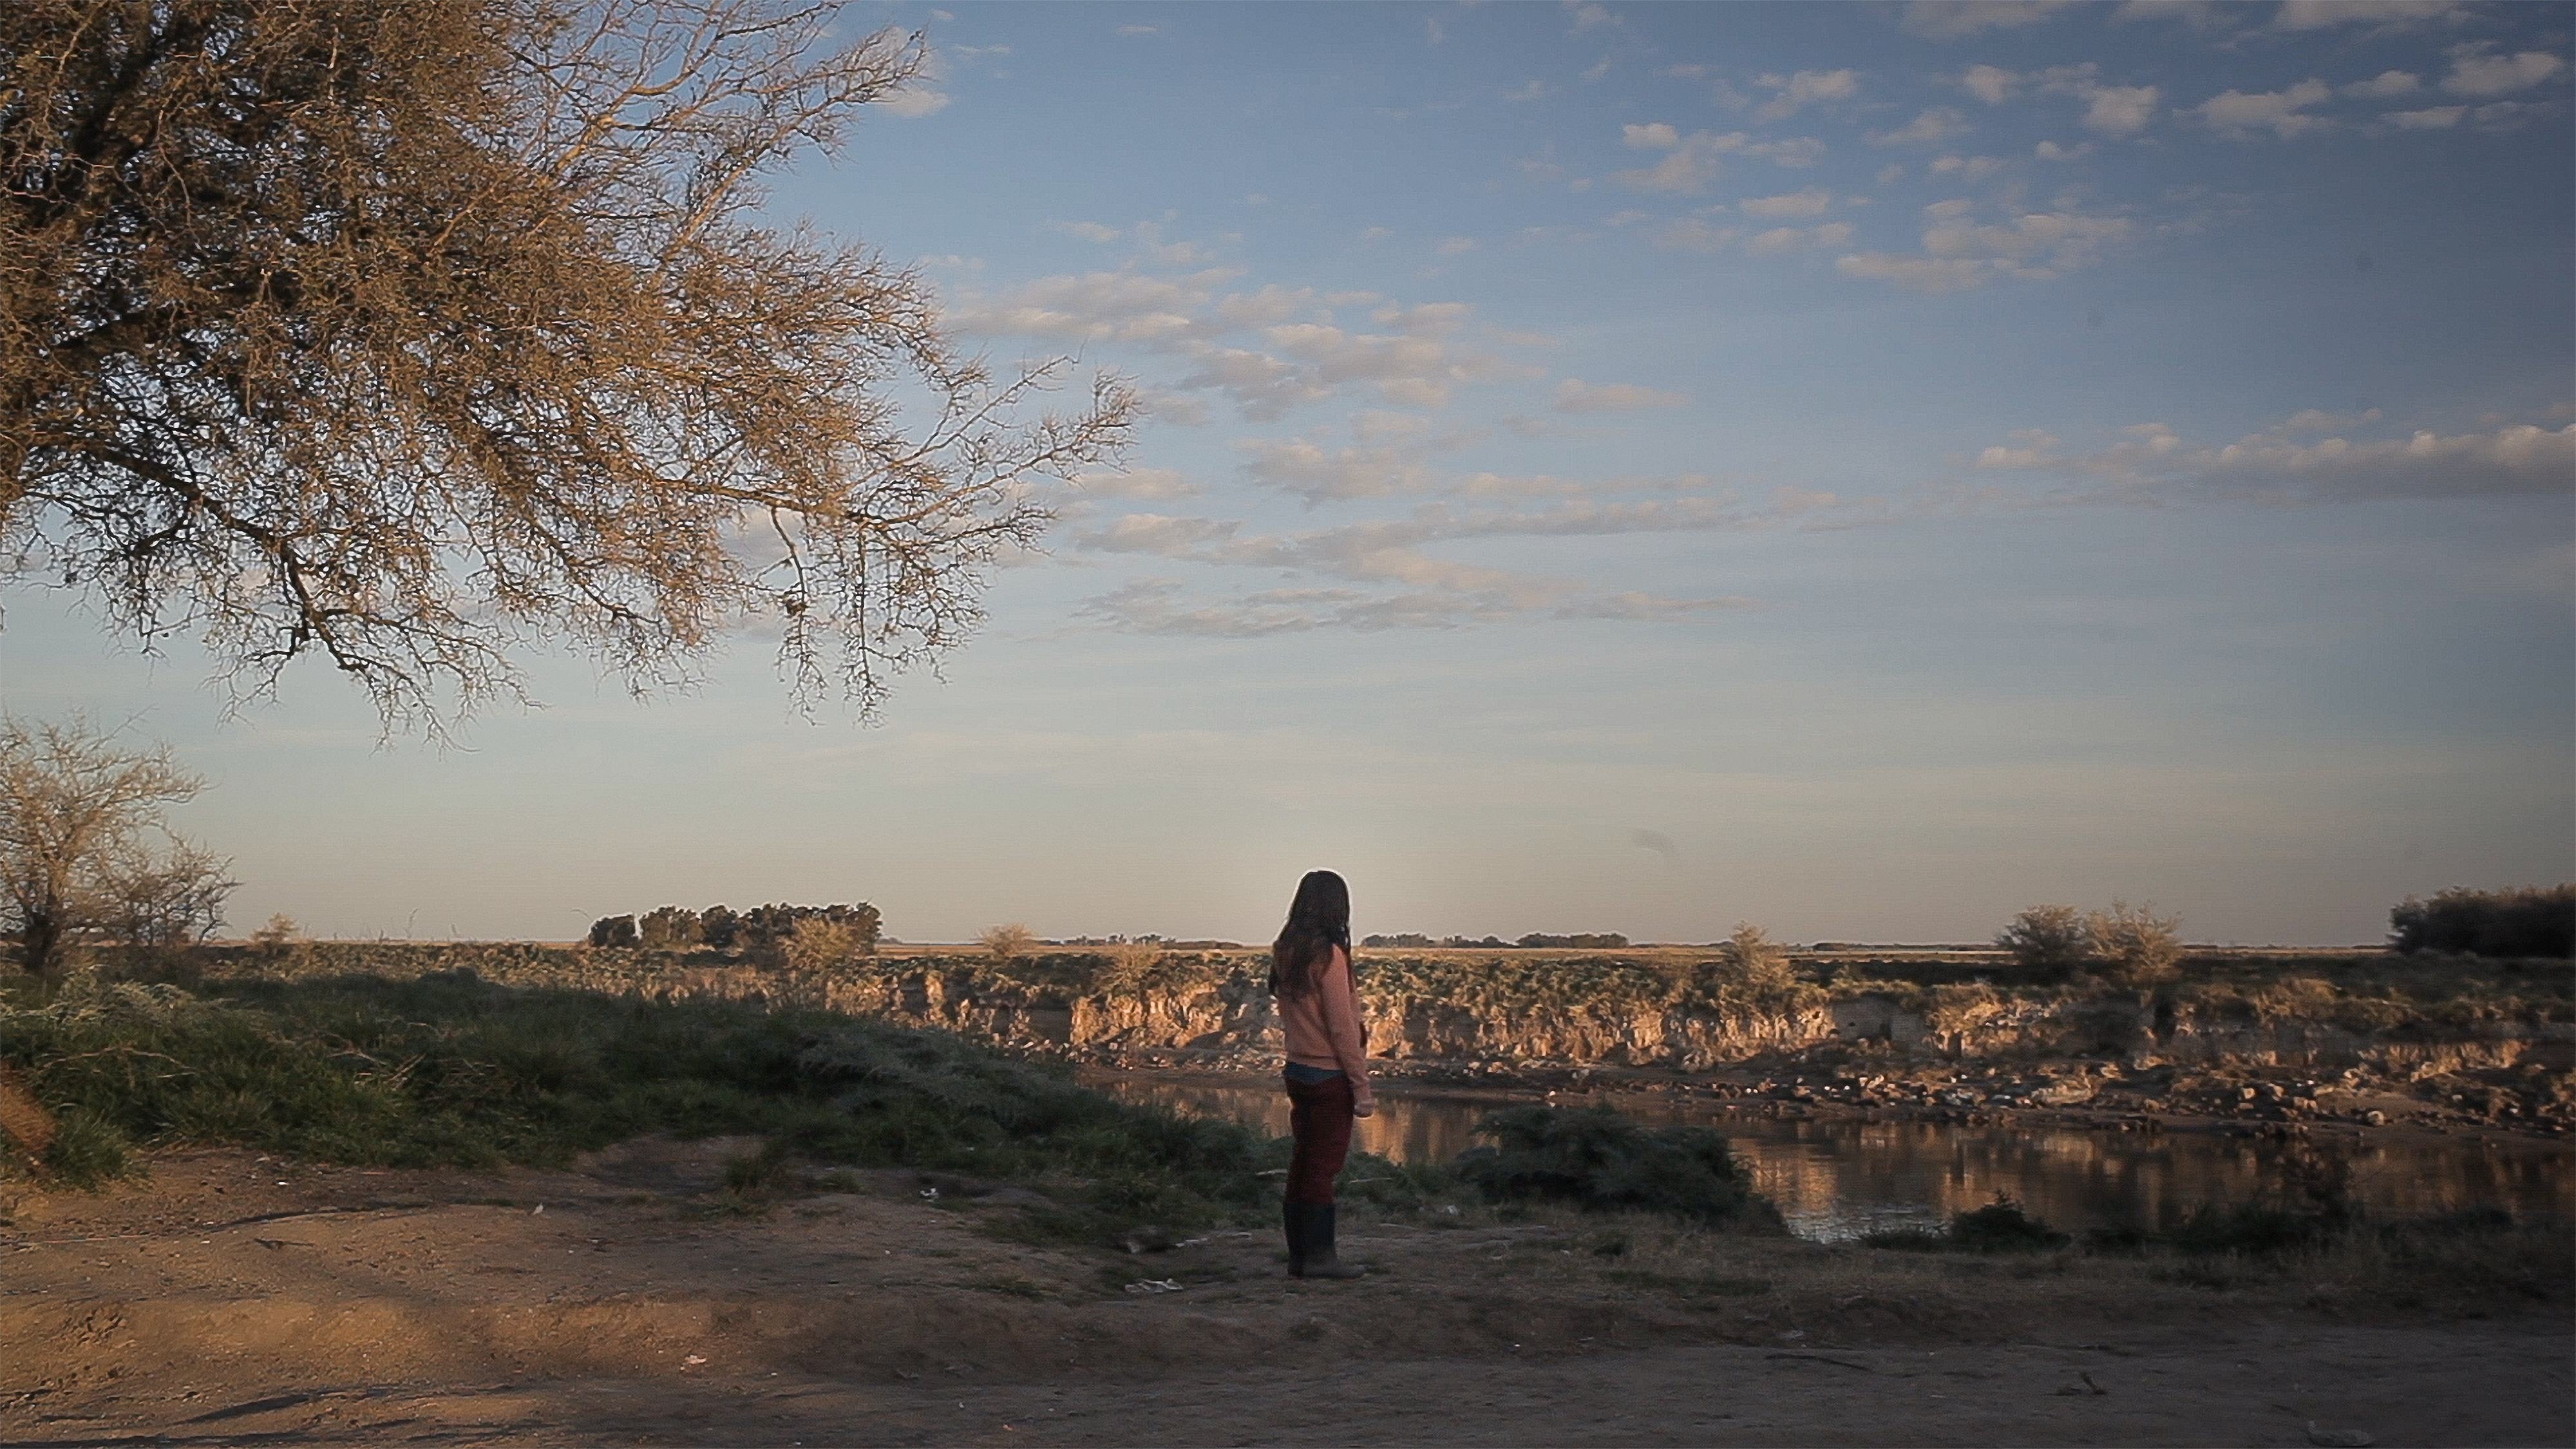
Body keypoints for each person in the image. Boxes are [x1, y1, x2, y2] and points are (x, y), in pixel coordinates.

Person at [1269, 868, 1374, 1280]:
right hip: (1328, 1075)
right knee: (1322, 1167)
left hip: (1297, 1069)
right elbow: (1342, 1028)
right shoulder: (1329, 955)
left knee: (1304, 1162)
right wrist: (1361, 1087)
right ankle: (1318, 1259)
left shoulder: (1286, 950)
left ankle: (1301, 1257)